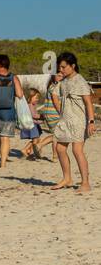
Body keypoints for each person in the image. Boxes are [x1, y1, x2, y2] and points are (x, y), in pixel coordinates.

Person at [49, 52, 95, 192]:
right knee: (60, 148)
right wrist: (60, 111)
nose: (61, 70)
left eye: (63, 67)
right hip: (65, 120)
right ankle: (67, 178)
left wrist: (91, 121)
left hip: (78, 121)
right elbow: (53, 94)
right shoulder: (63, 82)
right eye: (59, 67)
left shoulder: (80, 81)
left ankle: (85, 183)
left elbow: (88, 103)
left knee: (77, 150)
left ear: (72, 66)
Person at [0, 55, 25, 169]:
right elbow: (20, 94)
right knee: (5, 137)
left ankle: (1, 154)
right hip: (8, 112)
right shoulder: (13, 78)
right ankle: (3, 163)